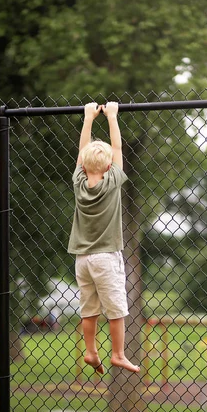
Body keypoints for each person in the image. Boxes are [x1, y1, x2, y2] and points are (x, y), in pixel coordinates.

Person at [68, 101, 140, 375]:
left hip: (82, 259)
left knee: (89, 309)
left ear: (83, 166)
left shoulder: (79, 182)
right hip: (106, 257)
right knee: (116, 309)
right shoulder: (112, 182)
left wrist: (88, 118)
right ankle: (118, 354)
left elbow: (81, 152)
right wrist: (112, 116)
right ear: (110, 165)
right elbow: (118, 148)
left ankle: (90, 351)